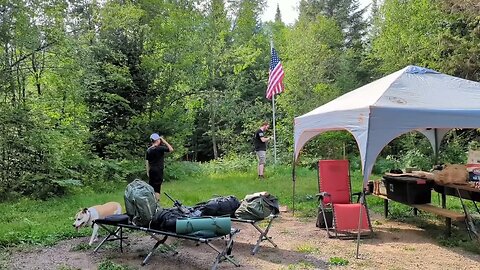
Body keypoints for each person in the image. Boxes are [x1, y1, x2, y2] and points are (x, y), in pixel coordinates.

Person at [146, 133, 174, 200]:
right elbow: (171, 149)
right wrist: (164, 141)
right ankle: (157, 204)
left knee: (151, 187)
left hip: (151, 170)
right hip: (158, 170)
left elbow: (146, 161)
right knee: (157, 188)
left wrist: (147, 171)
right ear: (158, 140)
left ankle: (151, 202)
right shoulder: (160, 148)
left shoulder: (149, 150)